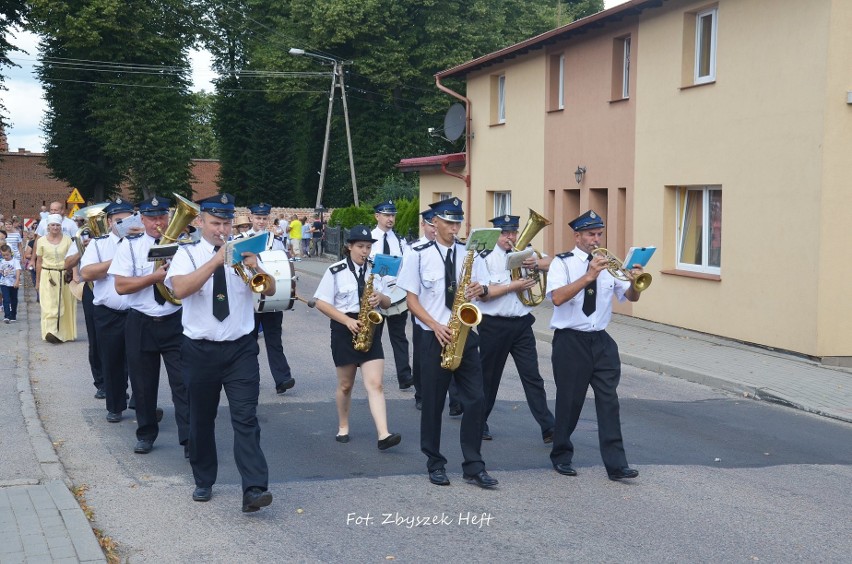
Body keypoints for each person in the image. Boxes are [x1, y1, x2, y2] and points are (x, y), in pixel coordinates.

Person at [165, 193, 274, 512]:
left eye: (226, 223)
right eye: (215, 223)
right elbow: (181, 289)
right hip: (200, 351)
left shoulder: (245, 249)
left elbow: (268, 289)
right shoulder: (187, 254)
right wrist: (215, 260)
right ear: (200, 222)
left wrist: (255, 265)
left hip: (240, 349)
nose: (222, 230)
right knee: (201, 419)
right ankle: (203, 478)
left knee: (246, 418)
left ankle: (254, 488)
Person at [396, 197, 498, 489]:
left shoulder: (470, 253)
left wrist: (480, 290)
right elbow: (410, 300)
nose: (454, 228)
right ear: (435, 223)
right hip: (433, 335)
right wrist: (435, 325)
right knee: (433, 402)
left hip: (465, 334)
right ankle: (435, 462)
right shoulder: (417, 253)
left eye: (457, 222)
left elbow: (483, 291)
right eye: (449, 222)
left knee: (476, 399)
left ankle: (474, 465)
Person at [546, 210, 644, 481]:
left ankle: (616, 465)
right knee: (570, 401)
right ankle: (561, 456)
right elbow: (557, 298)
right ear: (577, 236)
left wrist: (636, 283)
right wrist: (588, 276)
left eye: (599, 233)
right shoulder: (561, 264)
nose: (596, 239)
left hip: (600, 341)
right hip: (570, 341)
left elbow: (630, 296)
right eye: (591, 234)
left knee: (609, 402)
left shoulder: (610, 265)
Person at [110, 196, 189, 456]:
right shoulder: (129, 246)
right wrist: (154, 277)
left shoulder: (184, 245)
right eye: (152, 218)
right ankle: (145, 433)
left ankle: (190, 439)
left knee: (183, 383)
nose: (159, 223)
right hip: (141, 321)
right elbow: (121, 287)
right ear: (141, 219)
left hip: (175, 320)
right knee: (143, 384)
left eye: (162, 217)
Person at [313, 225, 402, 450]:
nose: (365, 251)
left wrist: (380, 297)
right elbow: (321, 303)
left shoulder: (377, 269)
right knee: (345, 385)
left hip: (371, 327)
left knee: (376, 384)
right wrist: (347, 321)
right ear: (349, 247)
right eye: (360, 247)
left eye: (368, 247)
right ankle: (343, 425)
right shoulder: (335, 270)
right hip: (345, 328)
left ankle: (384, 434)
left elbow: (389, 302)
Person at [476, 214, 555, 443]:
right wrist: (515, 286)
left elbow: (555, 262)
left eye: (513, 232)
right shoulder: (485, 256)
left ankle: (548, 427)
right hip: (494, 324)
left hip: (521, 324)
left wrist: (537, 264)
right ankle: (479, 422)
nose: (510, 237)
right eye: (505, 233)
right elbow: (483, 293)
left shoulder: (525, 252)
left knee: (532, 377)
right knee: (489, 378)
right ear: (496, 233)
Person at [80, 200, 135, 418]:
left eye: (129, 220)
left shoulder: (141, 242)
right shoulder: (99, 244)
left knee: (140, 362)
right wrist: (117, 261)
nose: (124, 225)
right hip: (108, 312)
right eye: (119, 221)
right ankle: (115, 406)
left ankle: (141, 403)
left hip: (136, 312)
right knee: (111, 361)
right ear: (110, 222)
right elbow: (87, 273)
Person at [245, 203, 296, 395]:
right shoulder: (242, 240)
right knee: (249, 343)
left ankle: (282, 379)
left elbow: (282, 265)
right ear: (251, 218)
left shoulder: (276, 241)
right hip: (250, 299)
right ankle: (251, 379)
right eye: (258, 218)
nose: (261, 221)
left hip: (272, 297)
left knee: (274, 339)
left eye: (264, 218)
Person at [369, 200, 413, 391]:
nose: (390, 219)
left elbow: (405, 268)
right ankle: (373, 374)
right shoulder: (368, 240)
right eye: (386, 215)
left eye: (393, 215)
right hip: (375, 296)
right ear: (377, 216)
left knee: (399, 337)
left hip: (395, 296)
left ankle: (404, 376)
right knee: (374, 337)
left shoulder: (400, 241)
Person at [35, 214, 76, 343]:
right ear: (48, 227)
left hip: (63, 275)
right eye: (53, 225)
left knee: (64, 304)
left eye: (57, 225)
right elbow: (39, 261)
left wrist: (75, 276)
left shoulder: (68, 240)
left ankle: (64, 334)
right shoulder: (41, 241)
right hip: (47, 275)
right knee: (49, 305)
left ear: (61, 226)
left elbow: (73, 259)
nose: (55, 227)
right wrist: (37, 281)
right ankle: (50, 332)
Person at [0, 244, 21, 322]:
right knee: (6, 299)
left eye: (7, 255)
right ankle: (7, 315)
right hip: (4, 283)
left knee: (13, 299)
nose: (5, 257)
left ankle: (13, 315)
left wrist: (17, 281)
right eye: (3, 255)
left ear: (10, 253)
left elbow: (18, 271)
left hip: (13, 283)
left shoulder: (15, 261)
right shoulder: (2, 262)